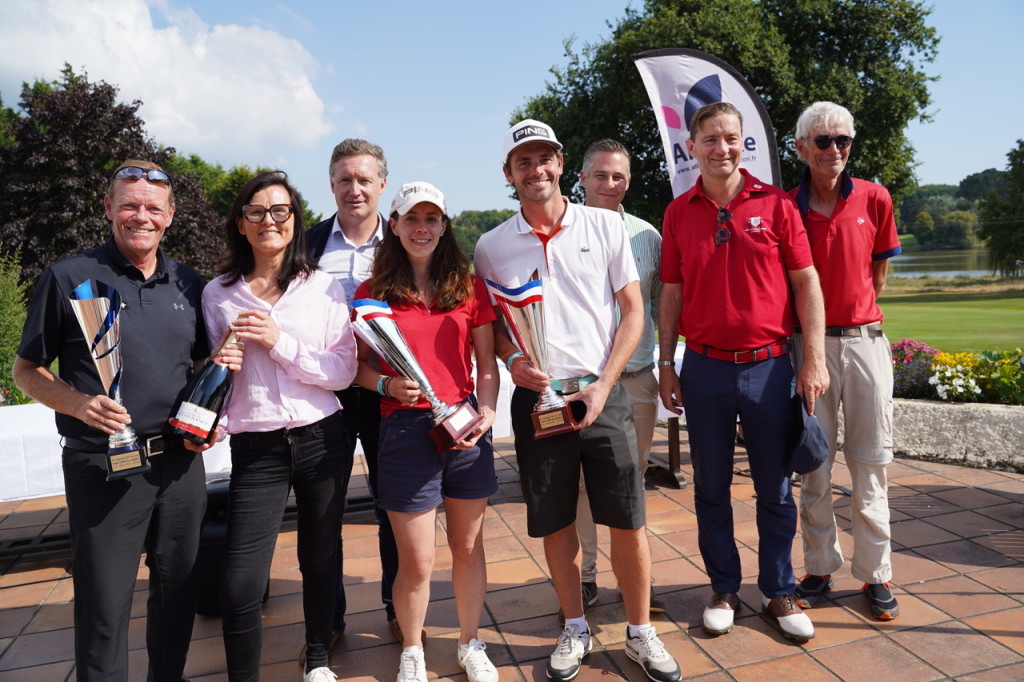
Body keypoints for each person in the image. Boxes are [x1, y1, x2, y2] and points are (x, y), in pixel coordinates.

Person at [13, 160, 239, 682]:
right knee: (104, 603)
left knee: (178, 592)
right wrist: (76, 403)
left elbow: (203, 364)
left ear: (171, 215)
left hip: (181, 464)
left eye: (153, 207)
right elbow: (26, 370)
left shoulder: (188, 281)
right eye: (130, 204)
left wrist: (210, 410)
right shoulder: (69, 276)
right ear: (109, 208)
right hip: (104, 464)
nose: (142, 216)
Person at [475, 119, 681, 682]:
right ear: (508, 173)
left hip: (602, 393)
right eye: (523, 161)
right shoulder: (491, 247)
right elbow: (489, 325)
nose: (535, 169)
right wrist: (509, 360)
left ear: (561, 163)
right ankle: (574, 625)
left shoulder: (605, 226)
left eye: (544, 157)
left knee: (628, 520)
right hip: (538, 400)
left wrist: (605, 383)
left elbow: (634, 312)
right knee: (556, 521)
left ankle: (641, 631)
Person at [657, 102, 829, 642]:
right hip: (705, 368)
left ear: (743, 143)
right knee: (711, 487)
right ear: (693, 147)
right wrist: (666, 361)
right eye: (710, 139)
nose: (722, 148)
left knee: (775, 488)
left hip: (771, 367)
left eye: (731, 138)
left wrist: (815, 358)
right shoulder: (678, 211)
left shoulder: (777, 205)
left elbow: (807, 284)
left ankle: (779, 590)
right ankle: (724, 588)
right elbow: (671, 293)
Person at [202, 171, 358, 682]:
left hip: (322, 438)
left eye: (280, 211)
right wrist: (218, 366)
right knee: (241, 583)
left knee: (319, 558)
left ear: (294, 222)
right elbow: (218, 383)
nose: (269, 220)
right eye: (256, 211)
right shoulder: (217, 295)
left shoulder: (324, 288)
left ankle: (317, 659)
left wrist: (278, 341)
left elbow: (343, 372)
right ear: (240, 224)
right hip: (257, 448)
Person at [353, 181, 499, 682]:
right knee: (416, 560)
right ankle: (412, 649)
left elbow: (486, 365)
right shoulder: (372, 293)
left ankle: (469, 642)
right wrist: (387, 385)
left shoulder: (467, 285)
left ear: (444, 225)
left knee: (468, 547)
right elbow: (355, 370)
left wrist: (488, 411)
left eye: (432, 218)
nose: (422, 228)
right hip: (406, 432)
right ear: (393, 225)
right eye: (412, 218)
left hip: (464, 429)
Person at [789, 101, 902, 620]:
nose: (835, 150)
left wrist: (851, 323)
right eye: (824, 141)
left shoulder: (875, 198)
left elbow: (875, 277)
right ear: (801, 148)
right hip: (807, 347)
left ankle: (876, 574)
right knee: (814, 464)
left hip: (863, 343)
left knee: (870, 462)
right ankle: (819, 566)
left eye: (844, 141)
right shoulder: (787, 207)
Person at [304, 138, 403, 651]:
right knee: (324, 511)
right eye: (344, 179)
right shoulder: (307, 245)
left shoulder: (406, 240)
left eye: (364, 179)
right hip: (325, 394)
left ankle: (397, 607)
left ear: (382, 184)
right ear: (332, 185)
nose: (355, 188)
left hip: (389, 391)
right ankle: (329, 622)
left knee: (394, 504)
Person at [575, 138, 666, 614]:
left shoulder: (648, 237)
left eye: (619, 177)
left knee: (633, 482)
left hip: (638, 378)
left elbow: (656, 308)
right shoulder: (565, 231)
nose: (610, 184)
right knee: (585, 486)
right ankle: (586, 576)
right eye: (601, 175)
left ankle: (636, 580)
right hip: (586, 383)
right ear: (583, 178)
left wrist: (667, 363)